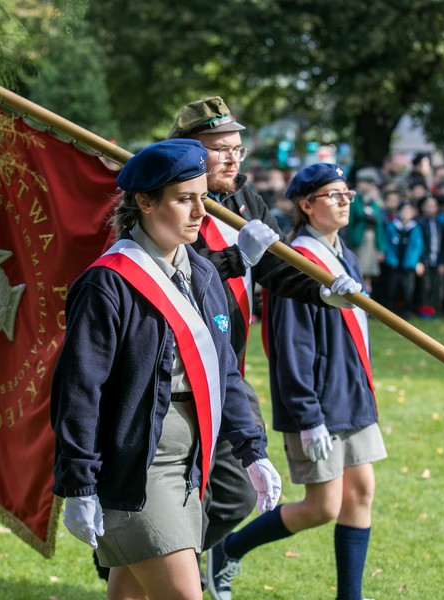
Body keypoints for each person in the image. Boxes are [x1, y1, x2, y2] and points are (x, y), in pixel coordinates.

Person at [51, 139, 283, 600]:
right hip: (140, 464)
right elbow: (79, 390)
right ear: (144, 201)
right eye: (184, 199)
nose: (201, 211)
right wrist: (77, 480)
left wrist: (252, 449)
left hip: (193, 458)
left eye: (203, 197)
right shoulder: (108, 283)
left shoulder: (204, 274)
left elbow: (224, 374)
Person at [166, 97, 360, 566]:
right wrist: (238, 259)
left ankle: (167, 559)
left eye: (237, 148)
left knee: (234, 492)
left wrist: (323, 289)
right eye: (220, 149)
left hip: (227, 368)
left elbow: (275, 268)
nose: (234, 158)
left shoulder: (247, 200)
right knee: (171, 484)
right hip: (171, 372)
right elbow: (171, 277)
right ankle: (150, 560)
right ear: (191, 152)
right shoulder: (167, 199)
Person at [207, 163, 386, 600]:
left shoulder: (343, 255)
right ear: (306, 205)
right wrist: (309, 417)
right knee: (323, 506)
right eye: (333, 194)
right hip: (319, 404)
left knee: (361, 492)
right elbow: (290, 350)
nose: (345, 201)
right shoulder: (298, 262)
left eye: (348, 194)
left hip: (352, 395)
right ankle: (229, 548)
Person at [346, 168, 385, 295]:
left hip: (371, 240)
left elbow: (379, 224)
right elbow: (350, 222)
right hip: (358, 239)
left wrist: (380, 248)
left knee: (369, 274)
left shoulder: (374, 202)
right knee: (357, 271)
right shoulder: (355, 200)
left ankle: (367, 300)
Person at [383, 200, 424, 318]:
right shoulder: (392, 226)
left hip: (408, 265)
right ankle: (389, 312)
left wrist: (414, 262)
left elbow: (417, 246)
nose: (406, 213)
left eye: (408, 211)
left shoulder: (415, 228)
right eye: (403, 210)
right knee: (391, 289)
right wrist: (391, 259)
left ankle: (407, 311)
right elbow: (387, 244)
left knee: (408, 290)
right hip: (393, 265)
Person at [416, 195, 444, 319]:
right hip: (425, 260)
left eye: (433, 206)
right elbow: (418, 244)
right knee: (425, 286)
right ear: (423, 207)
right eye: (428, 206)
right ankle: (424, 310)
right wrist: (419, 261)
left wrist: (443, 261)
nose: (431, 208)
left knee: (435, 286)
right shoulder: (420, 222)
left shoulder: (440, 223)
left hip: (437, 260)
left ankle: (432, 309)